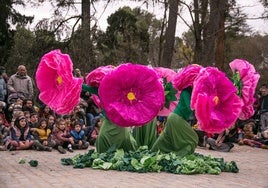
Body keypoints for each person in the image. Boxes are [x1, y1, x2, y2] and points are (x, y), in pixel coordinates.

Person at [151, 87, 198, 157]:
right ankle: (180, 156)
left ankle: (152, 153)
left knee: (166, 139)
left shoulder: (192, 94)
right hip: (176, 118)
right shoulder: (185, 92)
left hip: (175, 118)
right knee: (193, 138)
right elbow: (190, 107)